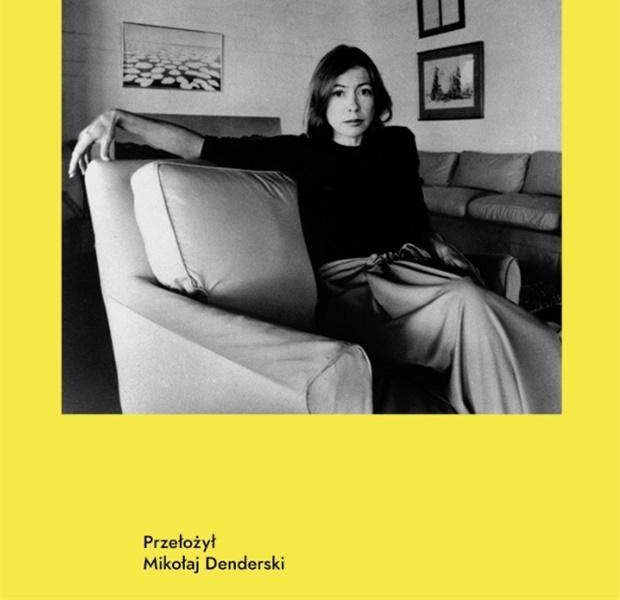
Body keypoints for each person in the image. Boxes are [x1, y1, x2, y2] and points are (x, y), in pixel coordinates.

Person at [69, 44, 560, 414]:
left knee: (498, 318)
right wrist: (122, 118)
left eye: (364, 91)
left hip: (416, 271)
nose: (353, 105)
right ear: (322, 101)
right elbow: (201, 147)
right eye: (339, 93)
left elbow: (412, 211)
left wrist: (438, 242)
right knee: (470, 305)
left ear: (378, 98)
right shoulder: (300, 152)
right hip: (354, 290)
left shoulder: (398, 143)